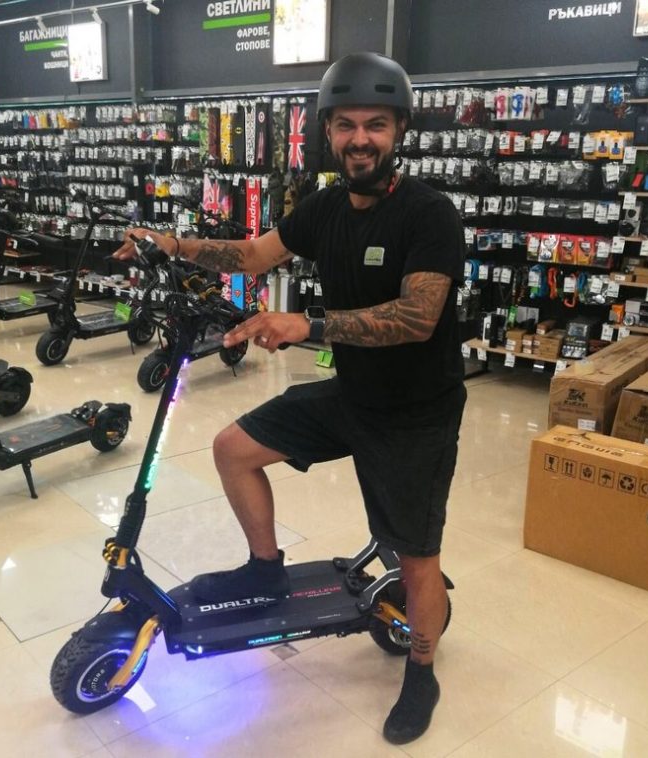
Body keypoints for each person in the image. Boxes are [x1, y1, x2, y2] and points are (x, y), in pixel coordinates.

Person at [114, 51, 467, 745]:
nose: (360, 139)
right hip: (353, 394)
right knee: (233, 449)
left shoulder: (429, 214)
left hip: (415, 414)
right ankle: (265, 567)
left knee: (416, 557)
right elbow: (252, 255)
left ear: (399, 130)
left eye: (375, 125)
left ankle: (422, 669)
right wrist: (171, 242)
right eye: (345, 125)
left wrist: (309, 324)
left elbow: (418, 317)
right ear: (327, 132)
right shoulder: (324, 208)